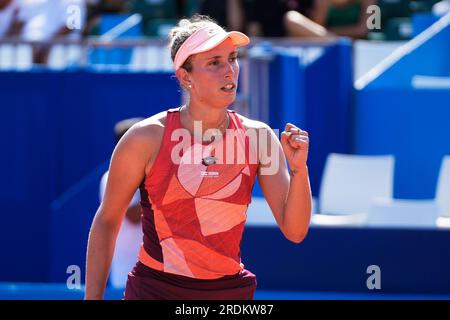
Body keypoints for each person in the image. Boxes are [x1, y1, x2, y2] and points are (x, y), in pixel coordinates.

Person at [85, 14, 312, 300]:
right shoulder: (145, 138)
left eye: (232, 58)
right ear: (185, 76)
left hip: (229, 294)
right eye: (214, 63)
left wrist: (299, 171)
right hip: (156, 290)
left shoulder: (260, 137)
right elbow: (107, 221)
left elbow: (295, 231)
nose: (229, 70)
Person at [99, 118, 144, 288]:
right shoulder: (113, 176)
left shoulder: (147, 174)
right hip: (127, 272)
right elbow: (133, 216)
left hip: (154, 271)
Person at [284, 0, 376, 39]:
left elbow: (363, 30)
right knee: (292, 18)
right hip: (330, 46)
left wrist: (329, 34)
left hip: (362, 47)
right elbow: (316, 29)